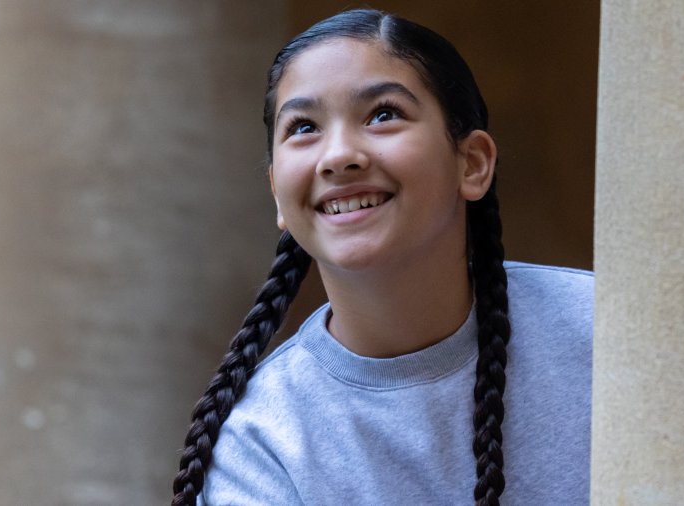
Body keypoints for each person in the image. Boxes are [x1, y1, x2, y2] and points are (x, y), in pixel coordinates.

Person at [171, 9, 592, 505]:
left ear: (473, 163)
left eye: (383, 114)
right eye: (304, 127)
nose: (339, 155)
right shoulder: (262, 446)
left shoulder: (607, 333)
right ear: (278, 197)